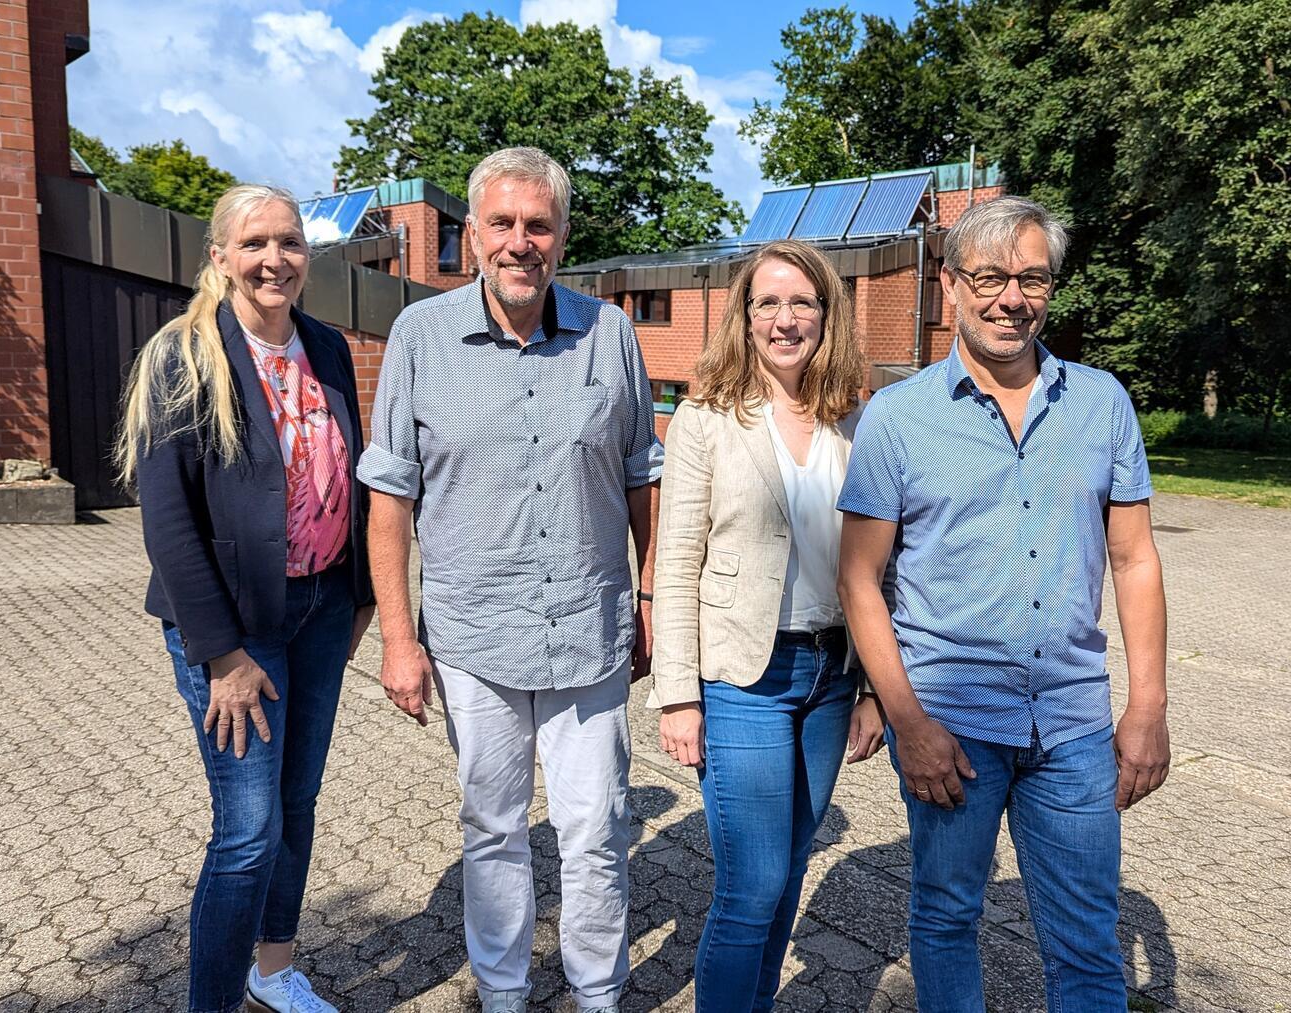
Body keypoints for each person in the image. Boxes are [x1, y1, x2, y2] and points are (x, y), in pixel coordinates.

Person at [837, 195, 1170, 1011]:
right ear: (950, 283)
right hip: (953, 724)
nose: (1010, 298)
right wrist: (908, 721)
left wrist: (1149, 705)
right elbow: (859, 579)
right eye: (988, 276)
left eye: (1031, 278)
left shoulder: (1102, 403)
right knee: (948, 916)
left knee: (1088, 939)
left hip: (1073, 723)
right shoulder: (898, 418)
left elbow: (1134, 558)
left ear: (1051, 288)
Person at [357, 147, 663, 1013]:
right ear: (473, 235)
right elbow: (389, 499)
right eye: (502, 223)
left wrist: (651, 603)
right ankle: (502, 992)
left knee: (596, 829)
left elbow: (643, 477)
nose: (520, 241)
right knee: (492, 829)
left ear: (562, 236)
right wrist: (399, 641)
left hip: (590, 630)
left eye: (538, 224)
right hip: (472, 638)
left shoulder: (612, 333)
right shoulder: (420, 337)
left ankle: (598, 992)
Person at [117, 184, 375, 1013]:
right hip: (238, 631)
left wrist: (363, 593)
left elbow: (355, 475)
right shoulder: (182, 356)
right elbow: (168, 521)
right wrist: (223, 657)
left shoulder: (328, 348)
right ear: (220, 256)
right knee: (246, 830)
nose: (276, 260)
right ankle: (214, 1002)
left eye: (291, 243)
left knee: (297, 803)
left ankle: (274, 968)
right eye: (256, 243)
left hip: (323, 610)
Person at [650, 239, 886, 1012]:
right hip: (742, 678)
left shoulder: (855, 423)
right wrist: (678, 695)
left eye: (802, 303)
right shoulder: (705, 419)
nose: (786, 320)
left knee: (787, 872)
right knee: (750, 885)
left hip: (830, 677)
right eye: (768, 303)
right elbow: (675, 561)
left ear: (827, 313)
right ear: (745, 317)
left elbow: (886, 566)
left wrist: (877, 690)